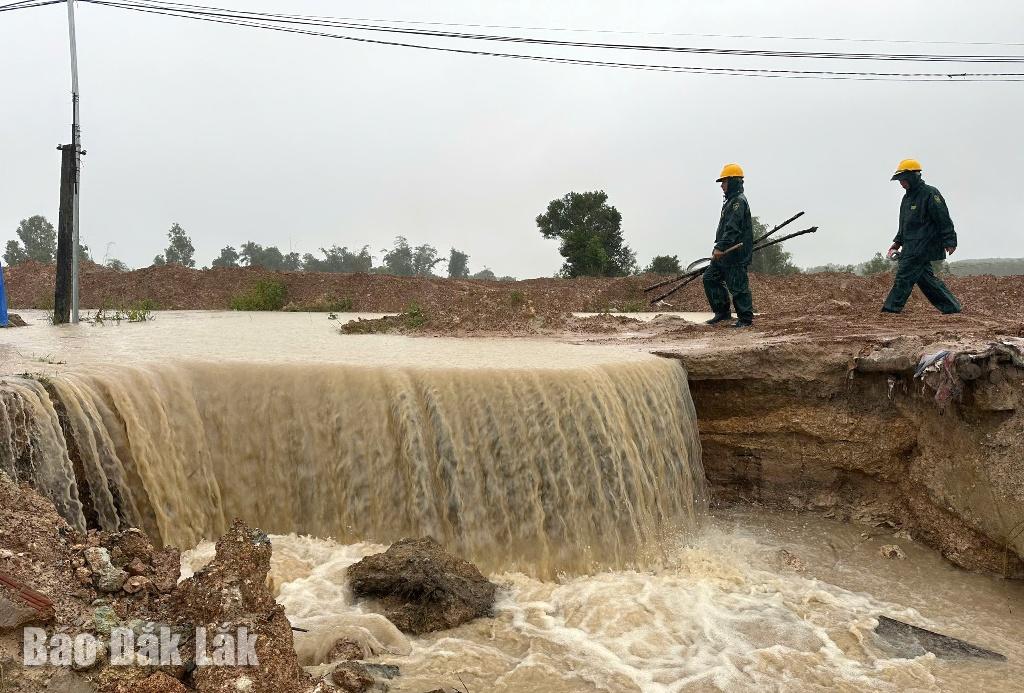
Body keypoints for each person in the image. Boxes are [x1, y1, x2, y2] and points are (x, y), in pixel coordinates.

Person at [882, 159, 961, 314]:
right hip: (911, 245)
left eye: (903, 180)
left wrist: (950, 240)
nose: (901, 183)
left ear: (913, 177)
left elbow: (943, 218)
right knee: (926, 280)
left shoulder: (930, 193)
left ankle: (890, 310)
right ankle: (951, 307)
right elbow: (905, 224)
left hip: (924, 245)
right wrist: (897, 242)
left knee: (904, 276)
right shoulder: (907, 198)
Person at [704, 163, 755, 328]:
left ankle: (745, 319)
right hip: (724, 253)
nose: (722, 186)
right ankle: (722, 313)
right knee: (710, 278)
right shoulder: (730, 201)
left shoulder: (738, 202)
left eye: (724, 182)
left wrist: (720, 247)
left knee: (738, 286)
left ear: (733, 181)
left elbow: (732, 228)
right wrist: (719, 247)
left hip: (735, 253)